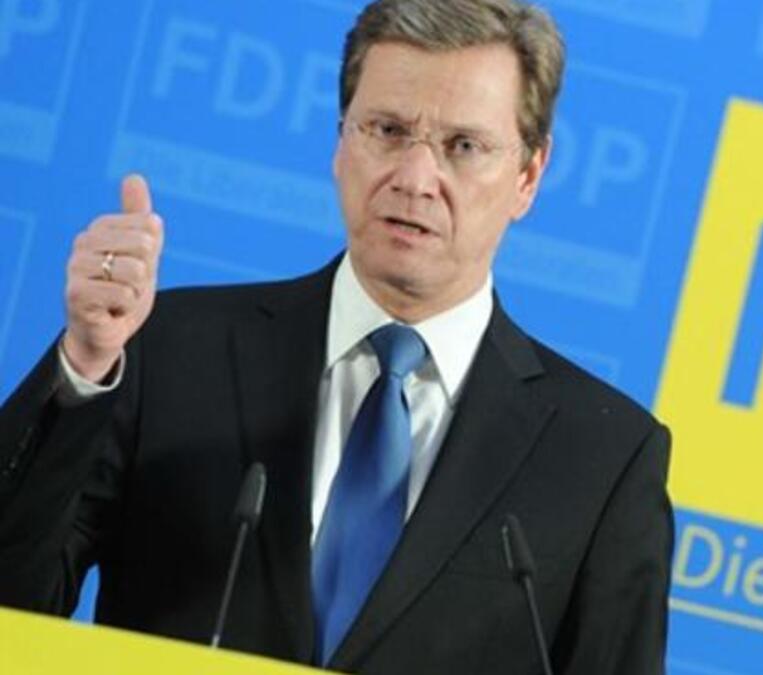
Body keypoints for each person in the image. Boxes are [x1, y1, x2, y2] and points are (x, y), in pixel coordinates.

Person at [0, 1, 673, 673]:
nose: (414, 179)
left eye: (463, 147)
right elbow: (14, 603)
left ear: (528, 175)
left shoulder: (602, 461)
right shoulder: (169, 353)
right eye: (386, 129)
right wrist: (84, 364)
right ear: (341, 140)